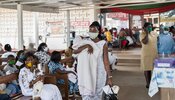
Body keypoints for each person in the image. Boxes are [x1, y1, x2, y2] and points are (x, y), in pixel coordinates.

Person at [73, 21, 112, 100]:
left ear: (99, 31)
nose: (91, 32)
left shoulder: (103, 43)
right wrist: (86, 46)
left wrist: (110, 77)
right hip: (87, 72)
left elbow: (106, 62)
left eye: (94, 30)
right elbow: (74, 51)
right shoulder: (85, 41)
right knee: (87, 93)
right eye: (90, 30)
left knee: (97, 95)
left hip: (99, 73)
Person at [140, 22, 158, 88]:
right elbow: (145, 42)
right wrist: (147, 33)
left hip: (154, 54)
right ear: (144, 28)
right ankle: (148, 83)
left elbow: (157, 39)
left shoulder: (154, 33)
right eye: (148, 27)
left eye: (150, 26)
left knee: (154, 68)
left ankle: (154, 82)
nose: (149, 28)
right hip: (146, 54)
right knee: (147, 69)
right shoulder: (142, 34)